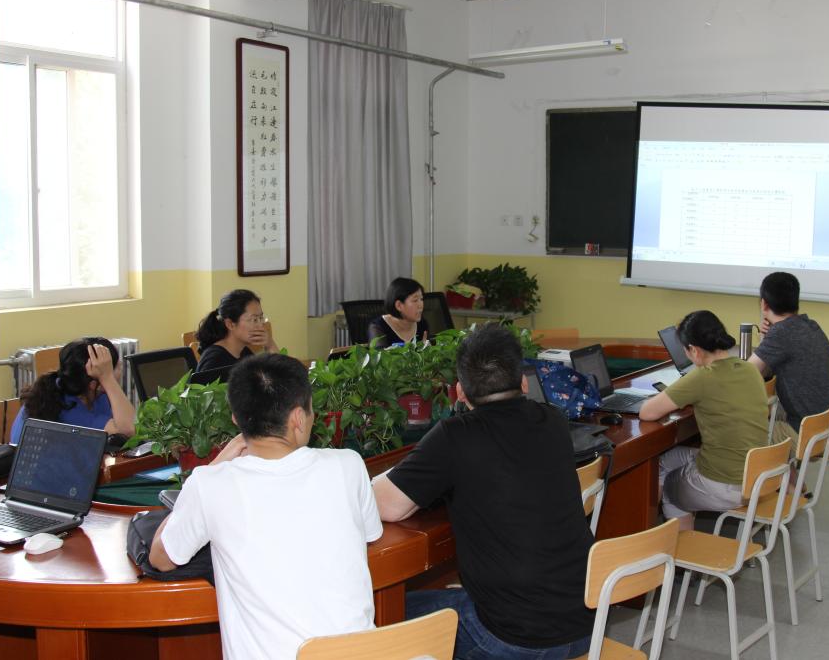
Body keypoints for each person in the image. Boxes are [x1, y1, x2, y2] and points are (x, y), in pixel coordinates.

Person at [373, 324, 593, 660]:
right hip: (585, 624)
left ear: (460, 392)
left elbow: (388, 505)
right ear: (523, 382)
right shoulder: (553, 420)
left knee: (382, 614)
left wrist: (406, 470)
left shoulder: (455, 436)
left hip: (513, 640)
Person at [149, 353, 383, 660]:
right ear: (298, 418)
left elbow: (161, 558)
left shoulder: (210, 485)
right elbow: (369, 535)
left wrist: (214, 466)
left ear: (236, 419)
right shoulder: (348, 465)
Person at [639, 311, 768, 532]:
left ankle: (674, 548)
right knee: (665, 459)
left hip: (726, 484)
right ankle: (646, 528)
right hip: (757, 475)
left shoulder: (702, 377)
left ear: (695, 350)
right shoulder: (749, 369)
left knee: (670, 490)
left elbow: (647, 413)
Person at [748, 271, 829, 450]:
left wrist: (768, 338)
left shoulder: (782, 333)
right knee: (769, 416)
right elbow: (766, 367)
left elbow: (746, 373)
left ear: (764, 304)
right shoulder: (809, 325)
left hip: (809, 436)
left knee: (741, 433)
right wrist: (767, 338)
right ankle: (788, 471)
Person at [10, 337, 136, 443]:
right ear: (94, 384)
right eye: (114, 366)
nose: (121, 365)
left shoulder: (90, 391)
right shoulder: (67, 408)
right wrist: (108, 379)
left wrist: (106, 379)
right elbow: (128, 431)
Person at [194, 289, 278, 372]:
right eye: (254, 320)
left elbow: (280, 376)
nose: (261, 326)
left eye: (261, 318)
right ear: (230, 324)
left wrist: (270, 344)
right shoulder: (214, 360)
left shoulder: (245, 353)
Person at [368, 277, 430, 348]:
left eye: (421, 299)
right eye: (415, 300)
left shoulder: (422, 324)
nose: (421, 305)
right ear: (399, 305)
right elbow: (378, 354)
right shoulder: (378, 327)